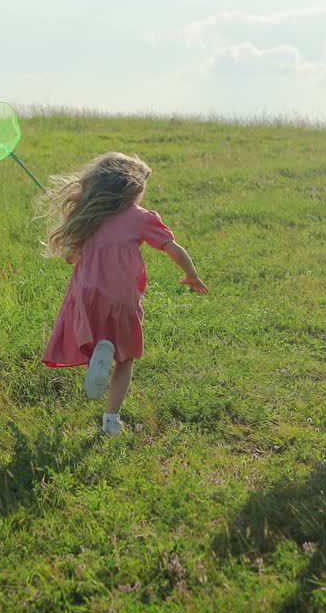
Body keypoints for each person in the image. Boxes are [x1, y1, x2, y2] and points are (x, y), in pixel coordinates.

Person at [40, 152, 208, 436]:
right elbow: (173, 248)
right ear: (132, 190)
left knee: (93, 333)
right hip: (122, 296)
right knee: (126, 357)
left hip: (87, 293)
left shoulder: (88, 216)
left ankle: (96, 356)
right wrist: (192, 275)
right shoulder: (142, 219)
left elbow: (71, 258)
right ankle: (111, 420)